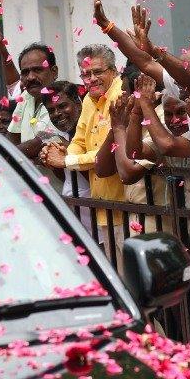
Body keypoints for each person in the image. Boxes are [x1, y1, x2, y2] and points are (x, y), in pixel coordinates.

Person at [43, 44, 126, 255]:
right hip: (104, 206)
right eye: (86, 74)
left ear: (113, 71)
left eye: (97, 72)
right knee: (115, 272)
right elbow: (79, 140)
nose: (91, 79)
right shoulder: (90, 98)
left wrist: (66, 161)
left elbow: (110, 152)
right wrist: (63, 154)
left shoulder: (121, 97)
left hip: (129, 206)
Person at [7, 44, 60, 156]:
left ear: (54, 72)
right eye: (25, 72)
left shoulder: (64, 99)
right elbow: (13, 136)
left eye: (37, 70)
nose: (30, 77)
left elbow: (39, 143)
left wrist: (7, 155)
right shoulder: (25, 96)